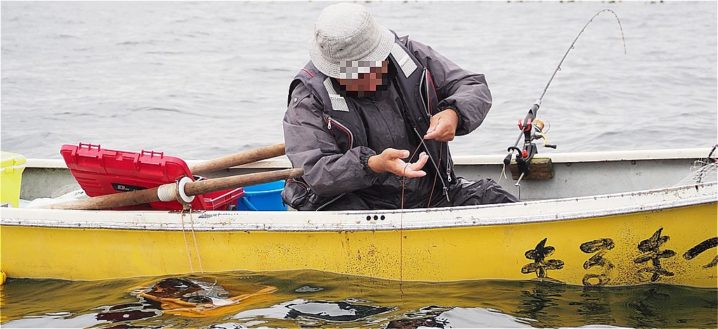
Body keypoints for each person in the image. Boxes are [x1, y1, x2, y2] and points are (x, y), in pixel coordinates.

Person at [282, 3, 517, 211]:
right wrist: (372, 165)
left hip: (431, 196)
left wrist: (454, 113)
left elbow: (473, 86)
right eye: (356, 73)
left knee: (496, 200)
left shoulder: (411, 55)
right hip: (352, 207)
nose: (368, 77)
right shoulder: (307, 96)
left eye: (372, 67)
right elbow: (316, 171)